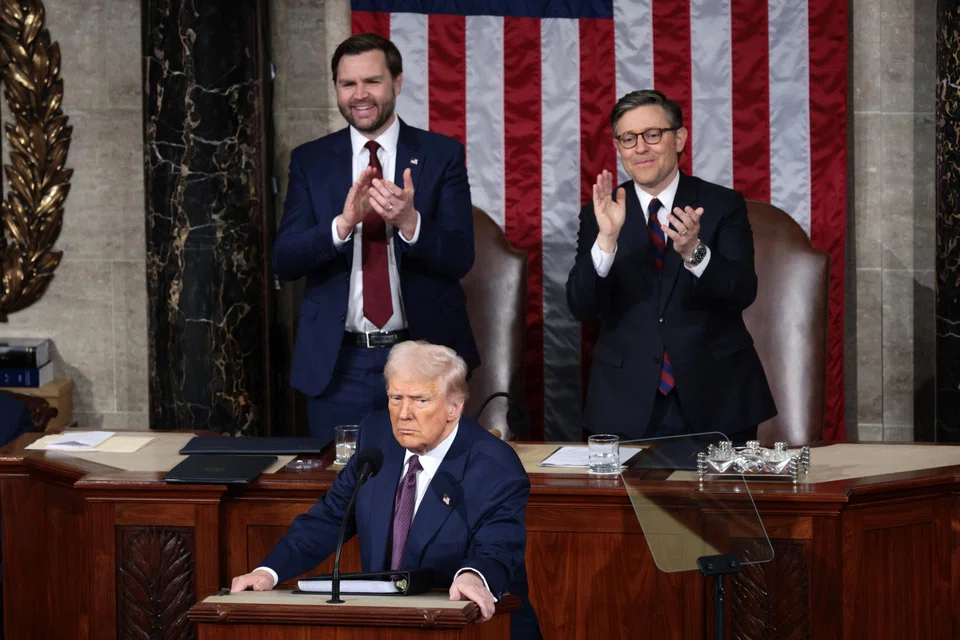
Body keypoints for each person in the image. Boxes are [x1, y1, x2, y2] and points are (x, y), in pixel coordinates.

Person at [230, 341, 541, 639]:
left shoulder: (494, 467)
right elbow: (329, 518)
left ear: (453, 408)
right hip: (390, 625)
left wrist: (473, 575)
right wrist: (269, 571)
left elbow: (498, 547)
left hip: (479, 629)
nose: (404, 414)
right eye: (396, 398)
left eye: (420, 400)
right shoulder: (377, 437)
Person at [273, 33, 479, 443]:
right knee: (344, 493)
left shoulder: (441, 155)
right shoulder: (311, 160)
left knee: (431, 492)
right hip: (339, 364)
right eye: (348, 84)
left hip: (424, 359)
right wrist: (341, 225)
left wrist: (410, 222)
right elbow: (285, 260)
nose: (360, 95)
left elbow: (460, 256)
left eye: (372, 81)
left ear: (397, 83)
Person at [566, 90, 777, 442]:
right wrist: (606, 241)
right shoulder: (601, 212)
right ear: (618, 147)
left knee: (720, 500)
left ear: (679, 138)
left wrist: (694, 251)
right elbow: (581, 306)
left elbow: (742, 292)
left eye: (652, 135)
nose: (640, 148)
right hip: (625, 402)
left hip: (717, 397)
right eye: (628, 139)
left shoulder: (721, 204)